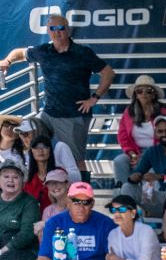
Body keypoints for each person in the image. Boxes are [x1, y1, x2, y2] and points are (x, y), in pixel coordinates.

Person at [0, 13, 114, 179]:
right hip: (48, 114)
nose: (57, 32)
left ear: (68, 30)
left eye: (61, 28)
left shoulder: (82, 52)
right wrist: (7, 61)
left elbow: (109, 74)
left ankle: (81, 197)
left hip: (73, 116)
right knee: (33, 142)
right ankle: (39, 188)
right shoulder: (44, 51)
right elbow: (19, 53)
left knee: (76, 160)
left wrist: (94, 98)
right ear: (48, 31)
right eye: (52, 28)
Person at [32, 180, 113, 260]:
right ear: (68, 202)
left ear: (92, 204)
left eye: (86, 202)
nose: (81, 207)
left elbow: (113, 257)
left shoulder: (106, 224)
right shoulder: (54, 223)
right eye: (76, 201)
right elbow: (43, 258)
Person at [113, 74, 166, 190]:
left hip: (157, 154)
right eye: (140, 91)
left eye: (148, 91)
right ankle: (124, 195)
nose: (144, 94)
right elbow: (122, 136)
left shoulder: (164, 113)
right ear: (136, 94)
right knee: (119, 161)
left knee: (151, 170)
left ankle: (150, 202)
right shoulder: (128, 112)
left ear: (154, 94)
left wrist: (146, 157)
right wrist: (133, 154)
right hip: (135, 153)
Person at [103, 194, 166, 260]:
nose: (117, 214)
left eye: (122, 209)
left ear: (133, 213)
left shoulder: (146, 231)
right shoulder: (113, 234)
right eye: (113, 210)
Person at [126, 113, 166, 213]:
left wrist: (161, 177)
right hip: (159, 198)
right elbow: (138, 171)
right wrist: (134, 177)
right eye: (160, 131)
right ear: (155, 134)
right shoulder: (152, 151)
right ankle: (136, 221)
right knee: (127, 187)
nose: (164, 134)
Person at [0, 160, 39, 260]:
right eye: (6, 176)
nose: (10, 180)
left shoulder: (30, 202)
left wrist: (2, 251)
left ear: (23, 181)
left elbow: (26, 234)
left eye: (15, 177)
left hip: (22, 251)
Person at [33, 167, 69, 243]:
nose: (54, 186)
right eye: (50, 183)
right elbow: (43, 240)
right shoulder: (48, 210)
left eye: (58, 182)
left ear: (67, 184)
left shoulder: (75, 206)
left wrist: (47, 224)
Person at [22, 135, 58, 210]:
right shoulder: (26, 178)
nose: (41, 150)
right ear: (31, 150)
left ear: (50, 150)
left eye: (45, 147)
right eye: (36, 147)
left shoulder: (60, 174)